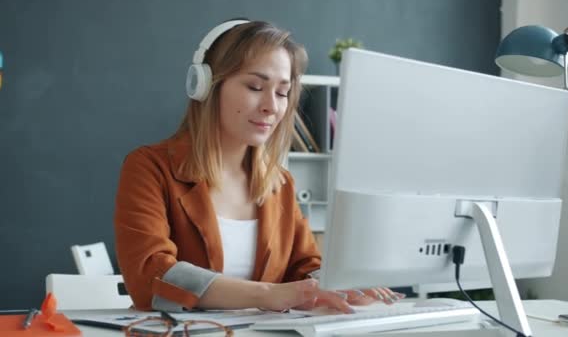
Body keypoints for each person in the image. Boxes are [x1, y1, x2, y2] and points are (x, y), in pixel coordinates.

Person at [114, 19, 404, 313]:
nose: (272, 106)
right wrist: (267, 295)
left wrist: (339, 286)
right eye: (255, 86)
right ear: (206, 86)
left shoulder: (280, 182)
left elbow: (303, 267)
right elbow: (149, 276)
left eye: (282, 92)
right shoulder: (150, 168)